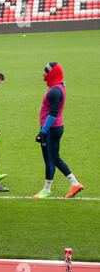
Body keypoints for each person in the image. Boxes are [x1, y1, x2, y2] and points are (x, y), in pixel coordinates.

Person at [33, 62, 84, 198]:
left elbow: (52, 114)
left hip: (50, 129)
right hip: (54, 128)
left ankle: (46, 189)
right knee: (55, 158)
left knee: (49, 159)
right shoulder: (58, 87)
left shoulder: (55, 91)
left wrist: (43, 131)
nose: (43, 73)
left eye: (46, 71)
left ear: (52, 73)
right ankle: (75, 184)